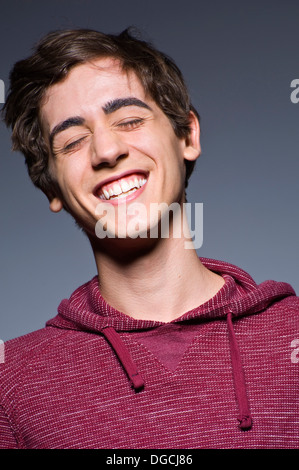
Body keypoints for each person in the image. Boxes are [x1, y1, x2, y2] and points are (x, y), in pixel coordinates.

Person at [0, 27, 298, 450]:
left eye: (130, 120)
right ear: (51, 188)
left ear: (187, 137)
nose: (106, 151)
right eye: (72, 141)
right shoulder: (10, 382)